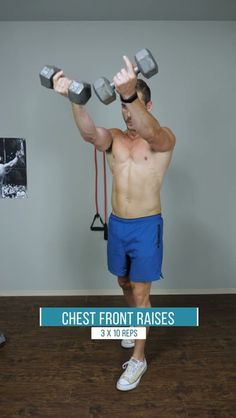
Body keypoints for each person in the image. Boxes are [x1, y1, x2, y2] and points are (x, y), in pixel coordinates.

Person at [53, 54, 176, 391]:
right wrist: (75, 101)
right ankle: (135, 327)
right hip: (118, 225)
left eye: (134, 106)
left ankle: (139, 358)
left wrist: (128, 94)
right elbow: (89, 134)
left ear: (147, 104)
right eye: (123, 108)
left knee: (141, 291)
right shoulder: (115, 140)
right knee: (124, 283)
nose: (127, 116)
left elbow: (150, 128)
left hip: (146, 226)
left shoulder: (163, 139)